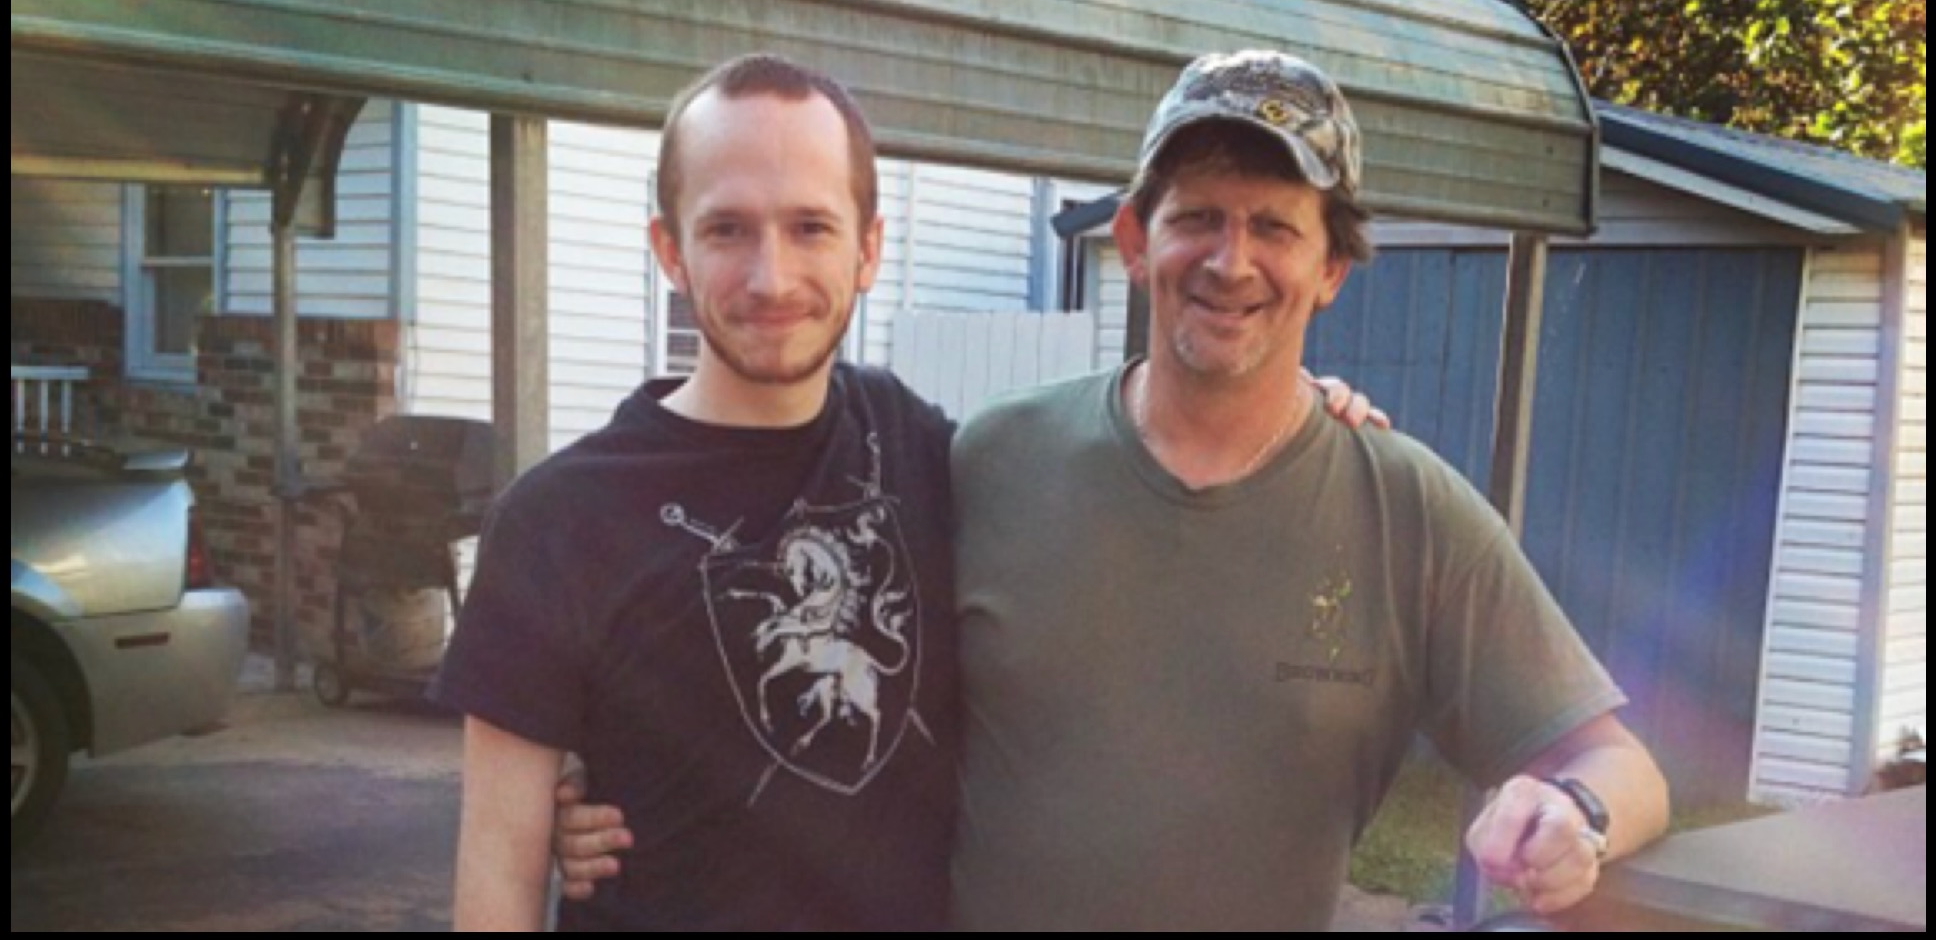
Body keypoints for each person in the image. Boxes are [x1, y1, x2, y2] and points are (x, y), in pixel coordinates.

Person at [441, 52, 1380, 932]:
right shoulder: (555, 522)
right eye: (728, 229)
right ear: (669, 248)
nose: (773, 277)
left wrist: (1296, 413)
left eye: (811, 226)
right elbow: (497, 874)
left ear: (869, 249)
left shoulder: (928, 448)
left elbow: (1139, 482)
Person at [944, 50, 1669, 930]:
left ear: (1332, 268)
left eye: (1276, 228)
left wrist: (1576, 815)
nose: (1231, 260)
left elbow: (1616, 760)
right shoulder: (994, 457)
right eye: (1199, 217)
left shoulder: (1407, 510)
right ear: (1136, 240)